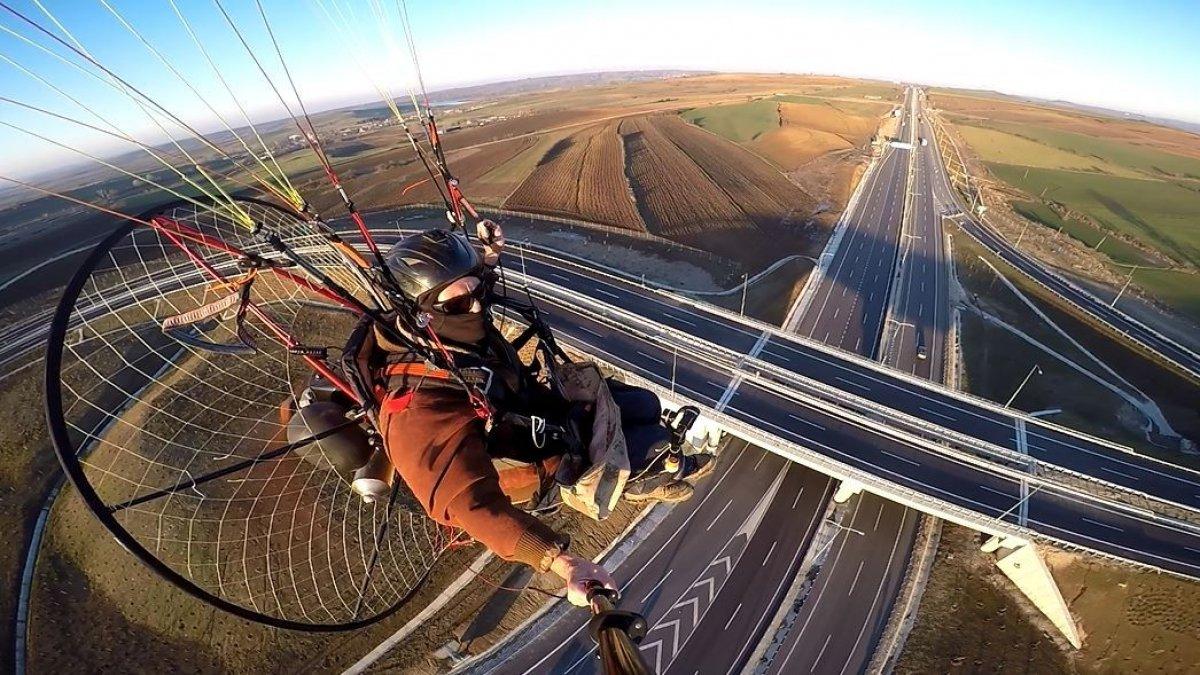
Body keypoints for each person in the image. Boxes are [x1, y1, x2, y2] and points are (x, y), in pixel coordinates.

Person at [371, 221, 715, 604]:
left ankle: (654, 458)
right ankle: (649, 474)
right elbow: (472, 507)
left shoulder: (441, 334)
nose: (479, 306)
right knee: (647, 445)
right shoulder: (417, 410)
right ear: (422, 313)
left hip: (540, 412)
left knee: (642, 403)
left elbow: (466, 289)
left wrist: (487, 259)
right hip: (540, 457)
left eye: (479, 291)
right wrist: (560, 562)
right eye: (458, 304)